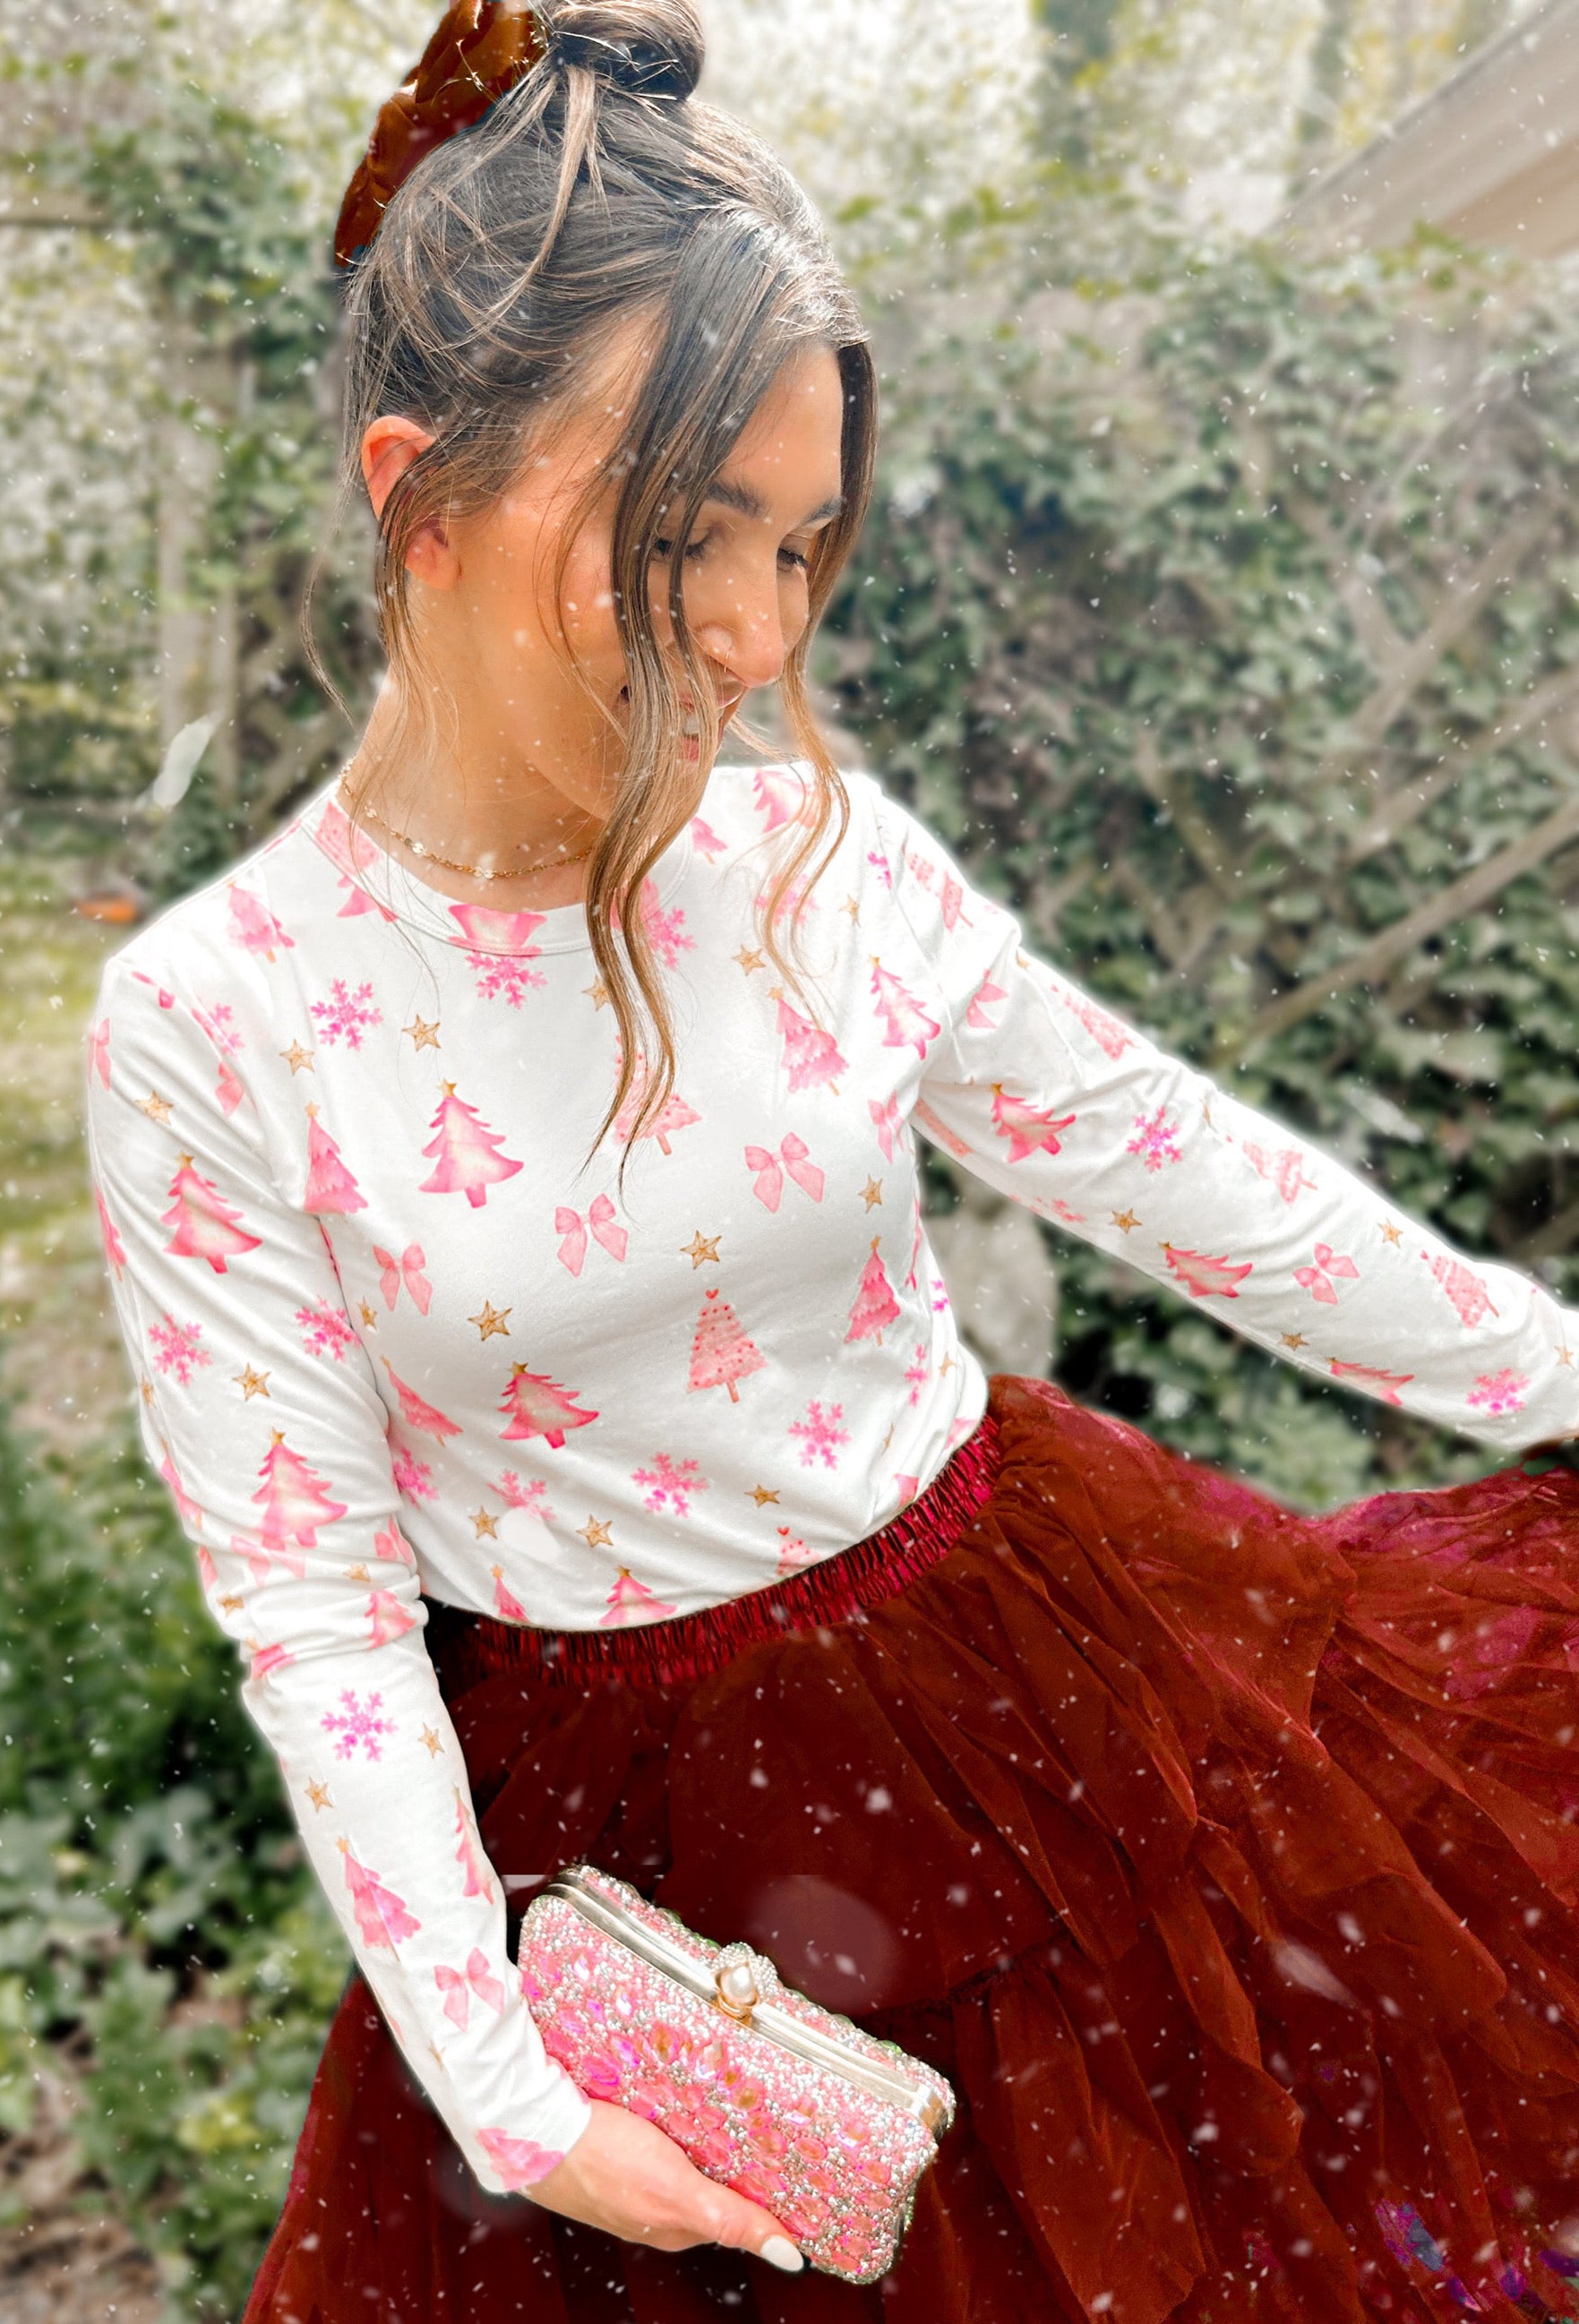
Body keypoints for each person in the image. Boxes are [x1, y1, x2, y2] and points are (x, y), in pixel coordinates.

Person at [85, 4, 1579, 2317]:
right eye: (684, 534)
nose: (756, 628)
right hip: (625, 1865)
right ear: (416, 494)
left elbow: (1174, 1167)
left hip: (1040, 1693)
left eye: (797, 545)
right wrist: (506, 2093)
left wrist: (1555, 1368)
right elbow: (316, 1604)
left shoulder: (814, 863)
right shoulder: (219, 1020)